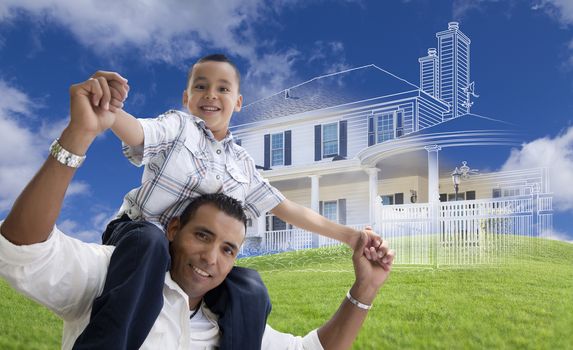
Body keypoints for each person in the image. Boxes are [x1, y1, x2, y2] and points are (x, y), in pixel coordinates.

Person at [0, 77, 396, 347]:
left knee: (252, 286)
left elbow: (312, 349)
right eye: (203, 236)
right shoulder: (116, 273)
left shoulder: (232, 315)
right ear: (176, 228)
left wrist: (365, 287)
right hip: (137, 242)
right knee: (145, 241)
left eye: (228, 249)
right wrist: (82, 132)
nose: (211, 257)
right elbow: (23, 250)